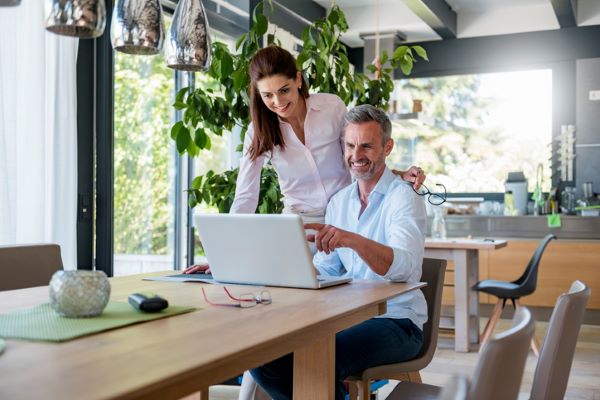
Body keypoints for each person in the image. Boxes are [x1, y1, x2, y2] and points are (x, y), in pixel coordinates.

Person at [184, 44, 425, 274]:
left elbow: (357, 155)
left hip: (344, 215)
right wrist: (224, 256)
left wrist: (396, 174)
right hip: (301, 225)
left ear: (298, 80)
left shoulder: (331, 107)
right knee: (290, 292)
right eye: (267, 95)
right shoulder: (258, 131)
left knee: (356, 283)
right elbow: (246, 196)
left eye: (284, 90)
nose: (277, 103)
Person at [249, 104, 428, 400]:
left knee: (318, 358)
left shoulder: (404, 197)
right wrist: (286, 272)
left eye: (367, 146)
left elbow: (405, 268)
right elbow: (329, 268)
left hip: (397, 322)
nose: (356, 155)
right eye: (350, 145)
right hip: (348, 318)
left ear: (388, 147)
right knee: (264, 358)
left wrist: (353, 240)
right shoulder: (340, 202)